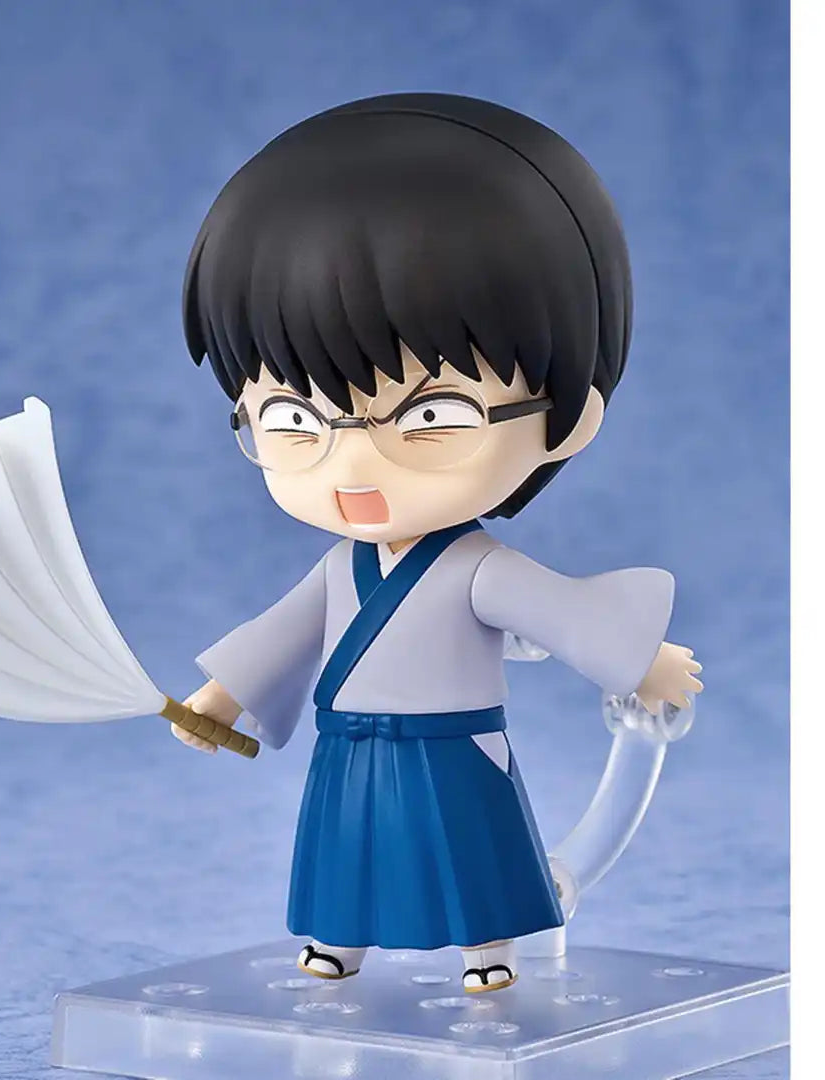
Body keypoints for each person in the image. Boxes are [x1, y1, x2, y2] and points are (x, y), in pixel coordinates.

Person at [173, 93, 703, 993]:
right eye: (295, 419)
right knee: (348, 850)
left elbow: (565, 615)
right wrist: (220, 699)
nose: (352, 461)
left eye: (429, 417)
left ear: (567, 416)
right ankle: (339, 939)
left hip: (454, 748)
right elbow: (281, 634)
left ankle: (487, 949)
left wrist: (641, 662)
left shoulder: (476, 569)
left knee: (470, 852)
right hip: (352, 748)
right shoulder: (343, 566)